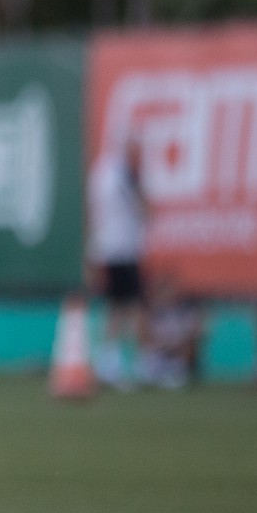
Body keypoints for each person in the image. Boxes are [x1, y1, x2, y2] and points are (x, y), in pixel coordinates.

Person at [86, 135, 148, 388]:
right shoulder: (119, 176)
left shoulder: (105, 175)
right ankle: (122, 364)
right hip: (118, 250)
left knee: (121, 308)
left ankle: (114, 363)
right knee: (126, 308)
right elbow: (145, 210)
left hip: (117, 249)